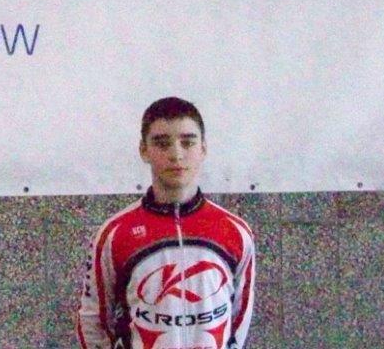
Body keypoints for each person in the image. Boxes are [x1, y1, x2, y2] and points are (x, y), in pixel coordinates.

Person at [76, 97, 255, 349]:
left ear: (203, 148)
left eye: (187, 142)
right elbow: (93, 320)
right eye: (162, 143)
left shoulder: (235, 231)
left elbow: (239, 319)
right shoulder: (115, 234)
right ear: (144, 150)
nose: (176, 154)